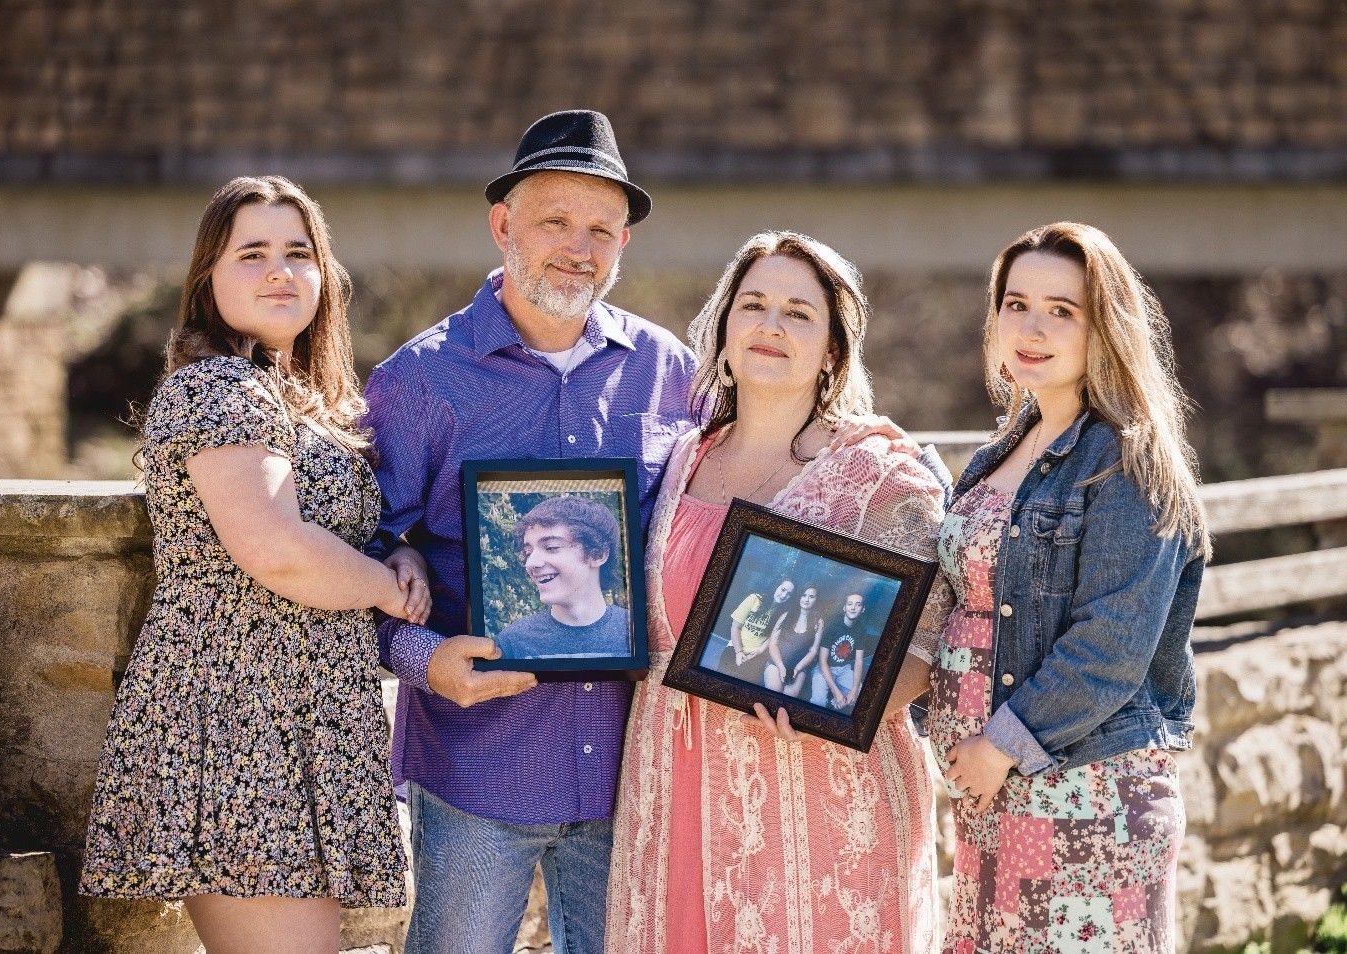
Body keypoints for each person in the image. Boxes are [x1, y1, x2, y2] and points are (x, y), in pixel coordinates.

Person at [364, 111, 697, 954]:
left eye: (602, 230)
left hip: (633, 774)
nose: (578, 249)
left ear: (624, 244)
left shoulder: (671, 373)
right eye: (555, 221)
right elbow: (352, 552)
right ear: (503, 225)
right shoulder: (419, 380)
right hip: (481, 766)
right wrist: (421, 660)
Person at [80, 176, 424, 953]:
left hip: (296, 719)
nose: (279, 270)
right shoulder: (216, 391)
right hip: (238, 721)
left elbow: (326, 524)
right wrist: (388, 589)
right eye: (254, 253)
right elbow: (278, 550)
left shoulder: (296, 395)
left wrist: (391, 548)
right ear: (208, 279)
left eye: (298, 253)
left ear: (323, 277)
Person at [607, 231, 954, 953]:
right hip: (674, 783)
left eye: (799, 313)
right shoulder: (679, 459)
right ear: (724, 327)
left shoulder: (880, 476)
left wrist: (830, 702)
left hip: (815, 790)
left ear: (832, 350)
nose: (771, 325)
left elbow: (927, 647)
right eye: (754, 305)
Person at [927, 222, 1209, 953]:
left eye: (1062, 310)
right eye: (1017, 304)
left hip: (1086, 794)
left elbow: (1113, 642)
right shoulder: (997, 453)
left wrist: (999, 745)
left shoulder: (1124, 459)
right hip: (996, 797)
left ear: (1103, 326)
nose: (1033, 327)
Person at [494, 495, 630, 660]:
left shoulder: (635, 632)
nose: (530, 563)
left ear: (598, 554)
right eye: (528, 552)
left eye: (551, 547)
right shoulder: (512, 643)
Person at [716, 577, 793, 683]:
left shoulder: (783, 613)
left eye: (789, 594)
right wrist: (739, 652)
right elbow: (735, 627)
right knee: (720, 679)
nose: (784, 595)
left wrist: (759, 651)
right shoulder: (754, 599)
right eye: (783, 589)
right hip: (735, 647)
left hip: (756, 654)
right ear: (777, 586)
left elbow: (772, 637)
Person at [811, 591, 874, 712]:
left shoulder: (861, 629)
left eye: (858, 604)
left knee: (859, 696)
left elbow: (859, 662)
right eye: (850, 604)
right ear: (844, 607)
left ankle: (837, 704)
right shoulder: (833, 626)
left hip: (844, 668)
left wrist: (854, 690)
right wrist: (836, 692)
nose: (853, 607)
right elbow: (822, 661)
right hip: (824, 668)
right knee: (818, 702)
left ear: (863, 609)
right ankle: (833, 701)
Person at [765, 584, 824, 695]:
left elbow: (813, 651)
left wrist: (797, 669)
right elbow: (772, 644)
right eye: (804, 595)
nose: (806, 599)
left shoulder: (818, 622)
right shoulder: (786, 615)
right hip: (776, 663)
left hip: (799, 668)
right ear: (799, 597)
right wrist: (781, 666)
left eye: (811, 597)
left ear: (816, 600)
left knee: (788, 698)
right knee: (774, 692)